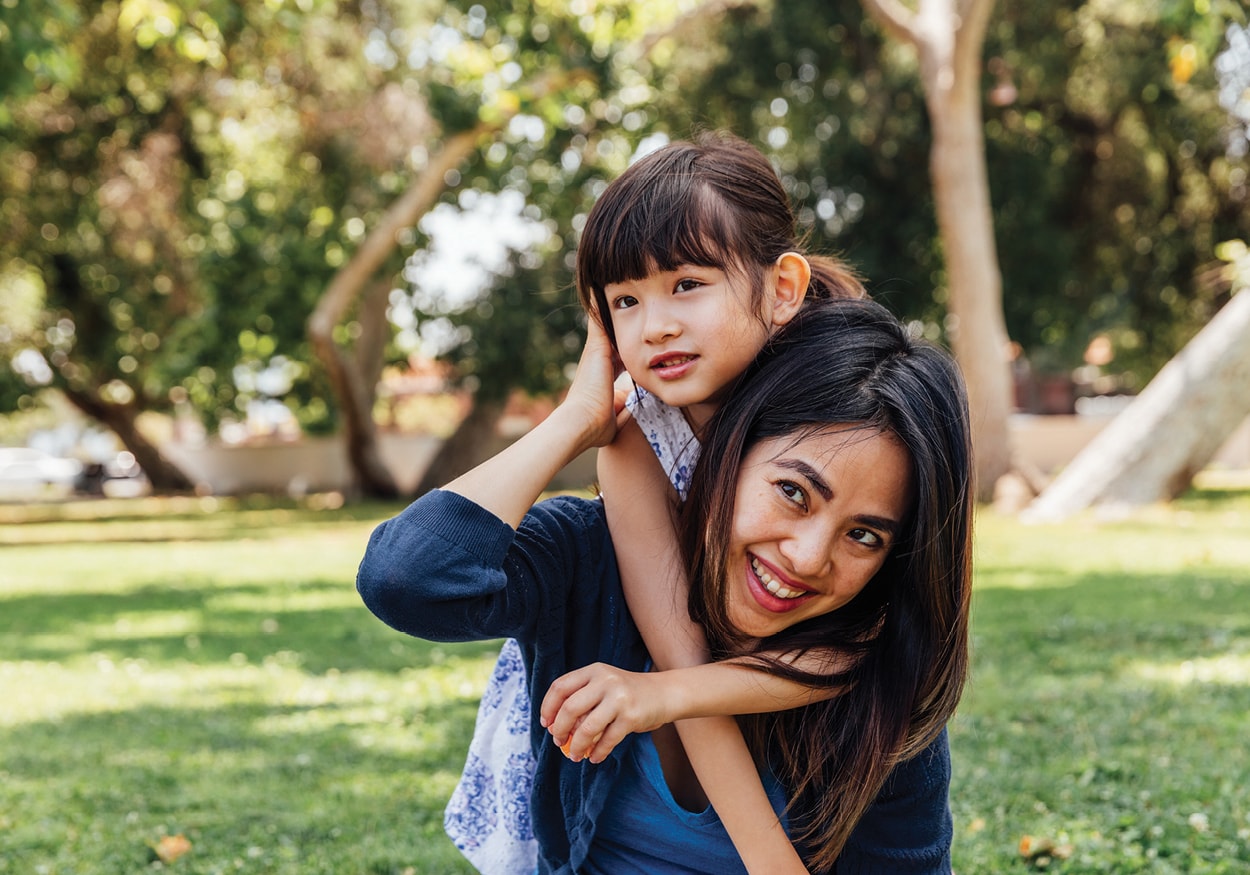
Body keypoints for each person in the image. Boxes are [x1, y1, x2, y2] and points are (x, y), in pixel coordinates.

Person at [357, 296, 974, 874]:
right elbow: (406, 580)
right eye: (793, 492)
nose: (809, 559)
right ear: (727, 450)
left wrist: (672, 693)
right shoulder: (588, 559)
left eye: (865, 535)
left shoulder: (876, 682)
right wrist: (573, 421)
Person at [445, 132, 869, 875]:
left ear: (783, 288)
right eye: (624, 302)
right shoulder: (638, 430)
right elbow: (679, 652)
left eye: (686, 285)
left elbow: (870, 651)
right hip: (628, 708)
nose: (656, 326)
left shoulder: (849, 410)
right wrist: (579, 418)